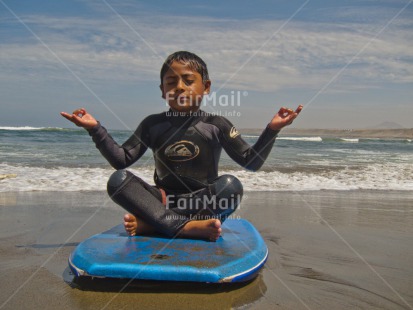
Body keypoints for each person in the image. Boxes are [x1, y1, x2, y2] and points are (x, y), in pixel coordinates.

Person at [61, 51, 302, 241]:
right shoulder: (152, 124)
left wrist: (273, 129)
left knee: (231, 186)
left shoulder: (216, 124)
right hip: (162, 200)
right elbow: (121, 160)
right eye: (171, 81)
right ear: (162, 90)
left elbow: (252, 161)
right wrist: (95, 128)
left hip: (202, 203)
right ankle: (185, 228)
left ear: (206, 87)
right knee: (118, 181)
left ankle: (155, 225)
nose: (179, 86)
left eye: (188, 80)